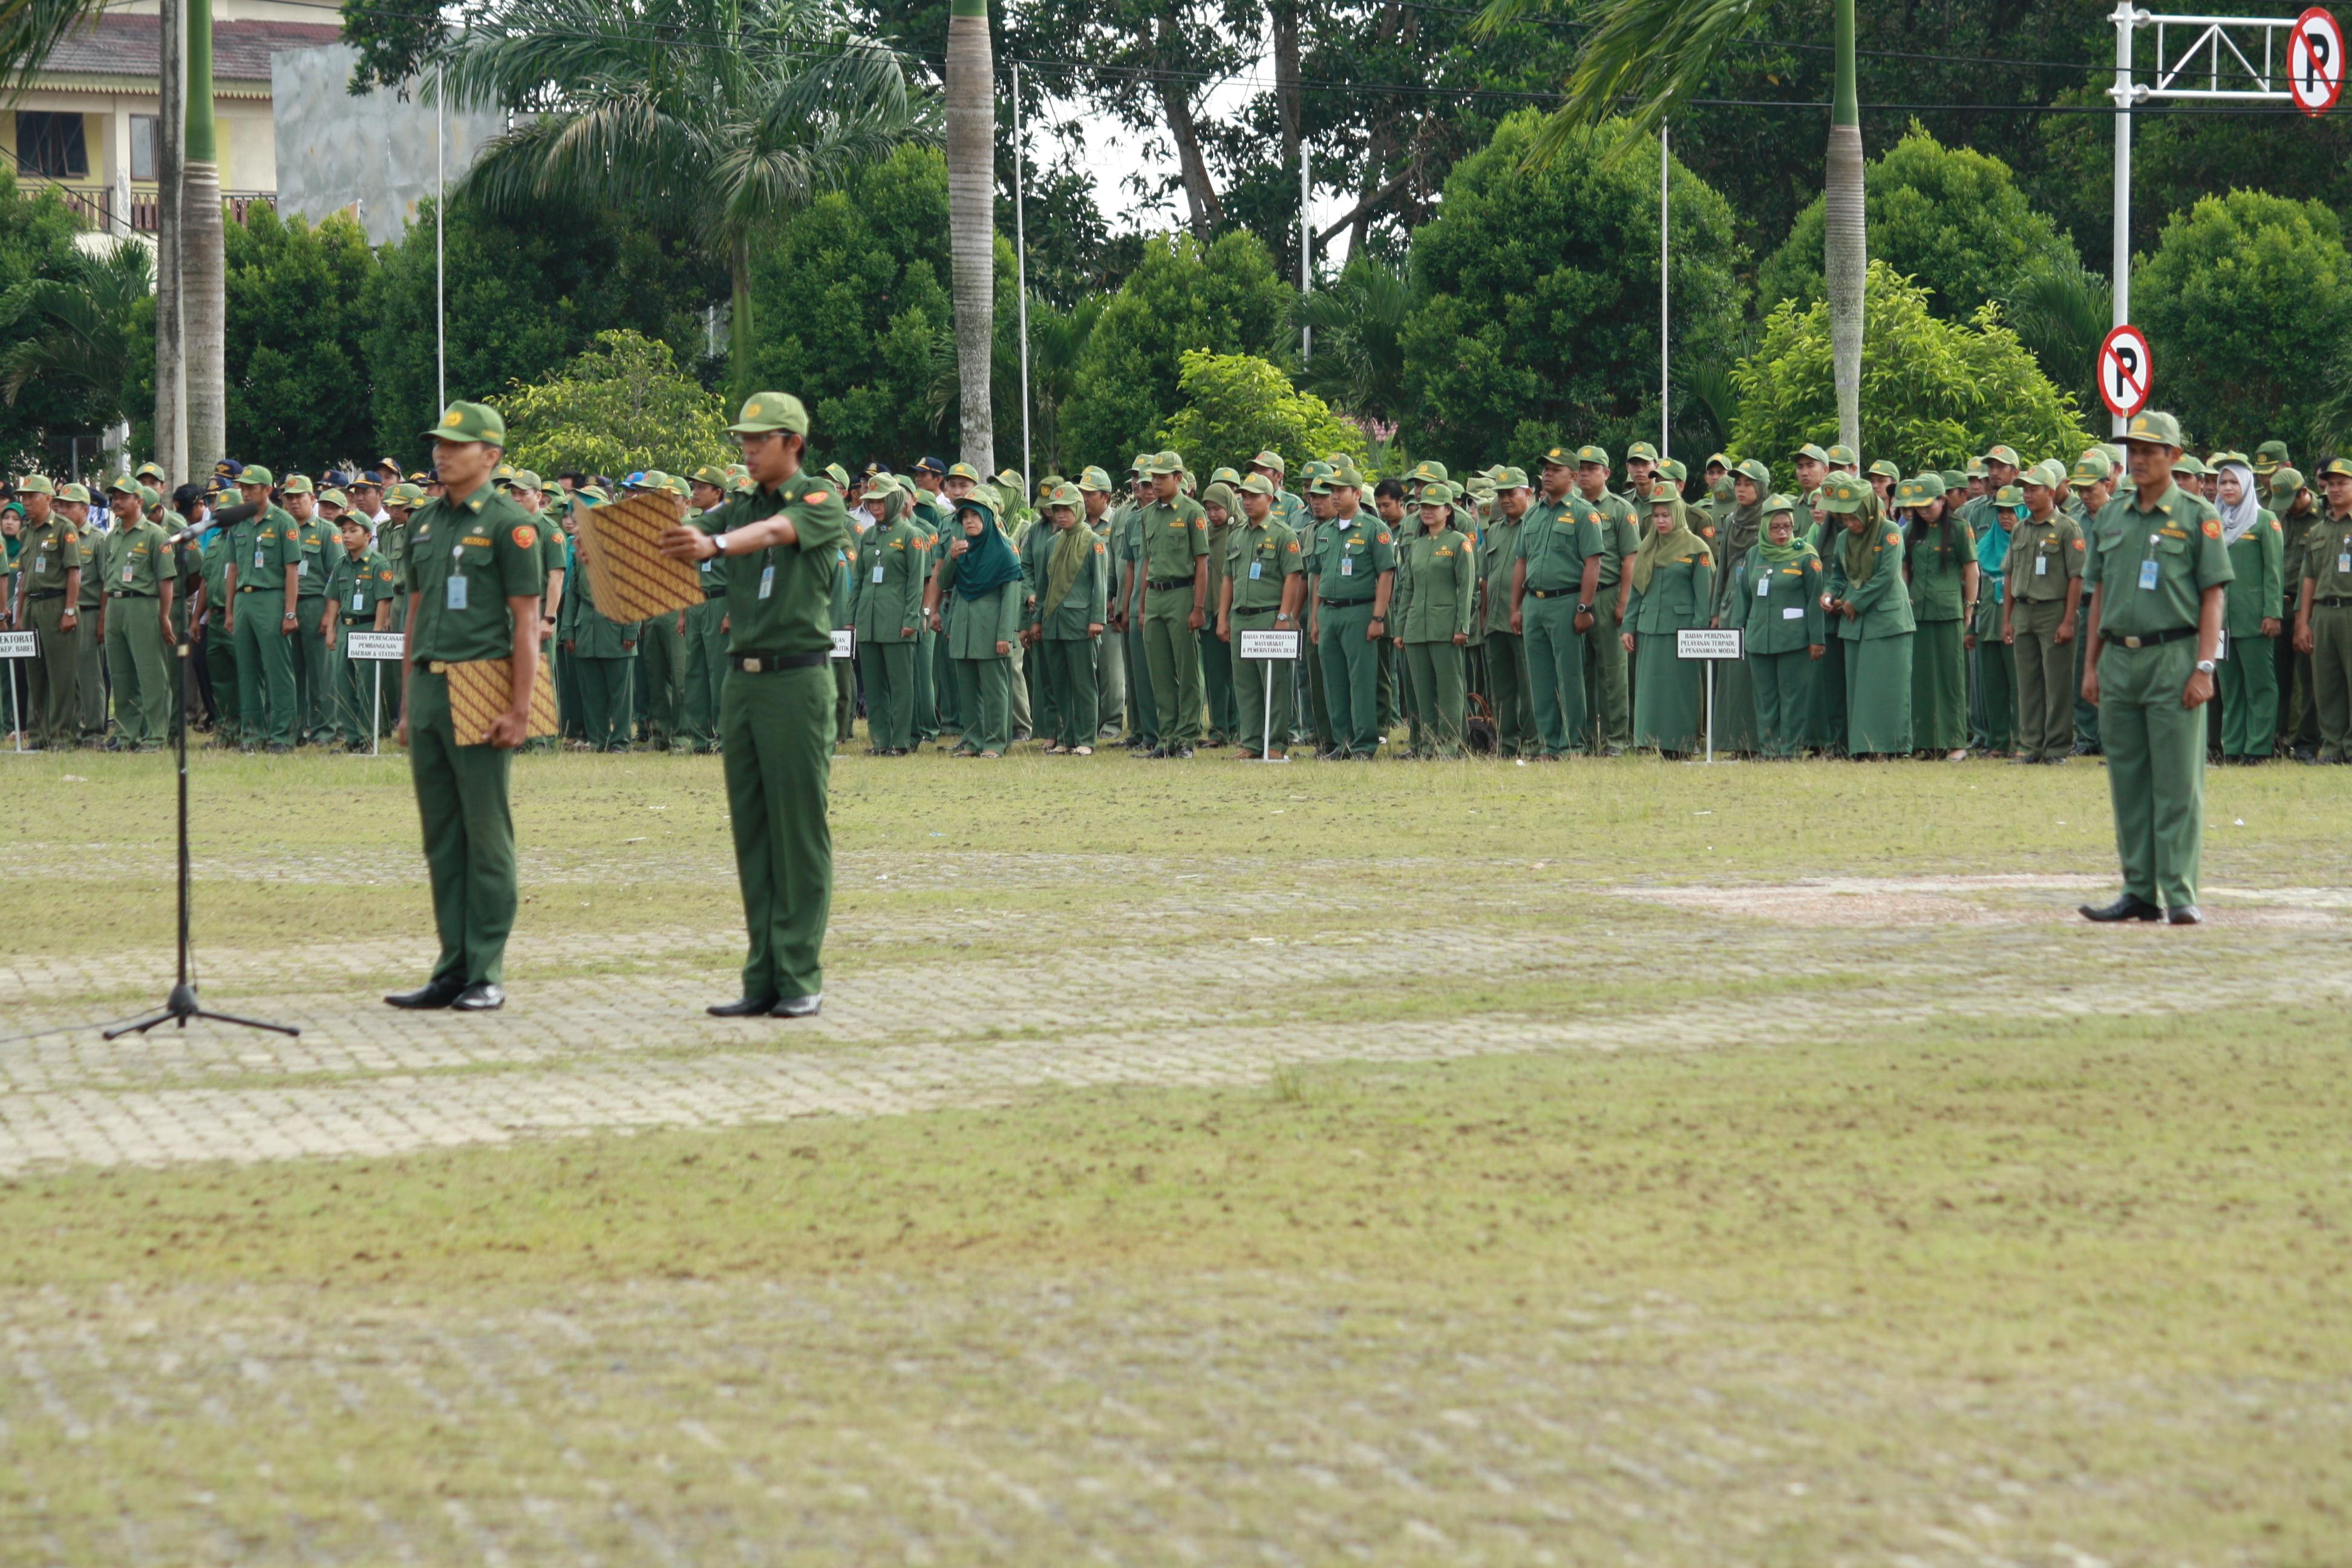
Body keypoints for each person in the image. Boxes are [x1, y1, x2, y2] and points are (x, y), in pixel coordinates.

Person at [658, 391, 846, 1019]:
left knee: (797, 831)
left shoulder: (818, 496)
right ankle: (762, 974)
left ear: (793, 443)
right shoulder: (738, 503)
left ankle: (800, 976)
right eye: (744, 437)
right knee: (753, 833)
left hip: (796, 680)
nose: (747, 447)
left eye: (759, 438)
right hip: (743, 679)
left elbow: (774, 533)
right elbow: (697, 531)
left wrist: (714, 546)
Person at [387, 400, 547, 1011]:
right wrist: (405, 706)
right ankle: (451, 965)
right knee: (442, 837)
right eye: (438, 444)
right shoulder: (424, 522)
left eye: (456, 445)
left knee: (486, 834)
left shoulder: (511, 525)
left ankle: (485, 968)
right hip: (428, 688)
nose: (441, 453)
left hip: (482, 687)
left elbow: (527, 621)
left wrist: (520, 707)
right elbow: (416, 613)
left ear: (492, 456)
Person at [2080, 410, 2230, 926]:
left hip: (2175, 658)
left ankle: (2180, 893)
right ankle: (2139, 891)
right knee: (2128, 780)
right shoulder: (2112, 516)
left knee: (2177, 782)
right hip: (2119, 659)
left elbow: (2213, 598)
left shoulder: (2197, 516)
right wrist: (2092, 666)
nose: (2139, 459)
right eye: (2133, 450)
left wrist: (2205, 667)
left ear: (2174, 457)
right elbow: (2099, 594)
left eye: (2150, 451)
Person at [1512, 448, 1603, 761]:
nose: (1548, 474)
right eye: (1546, 469)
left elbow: (1593, 563)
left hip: (1566, 601)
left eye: (1556, 469)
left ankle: (1572, 744)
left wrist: (1584, 607)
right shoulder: (1533, 514)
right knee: (1539, 679)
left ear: (1574, 476)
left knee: (1570, 677)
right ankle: (1548, 744)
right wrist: (1516, 607)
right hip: (1534, 603)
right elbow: (1521, 562)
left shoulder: (1583, 512)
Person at [1824, 471, 1915, 758]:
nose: (1850, 524)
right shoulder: (1843, 539)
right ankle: (1862, 747)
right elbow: (1838, 575)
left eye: (1854, 518)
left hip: (1888, 620)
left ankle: (1891, 746)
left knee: (1887, 687)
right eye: (1845, 519)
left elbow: (1887, 575)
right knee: (1859, 690)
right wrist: (1829, 595)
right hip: (1855, 625)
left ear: (1868, 510)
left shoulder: (1890, 531)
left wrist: (1854, 602)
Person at [928, 488, 1024, 757]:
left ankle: (995, 742)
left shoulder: (1004, 551)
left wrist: (1006, 635)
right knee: (967, 690)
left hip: (991, 630)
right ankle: (973, 741)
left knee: (994, 690)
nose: (969, 521)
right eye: (965, 516)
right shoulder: (963, 550)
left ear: (987, 517)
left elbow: (1011, 596)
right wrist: (952, 558)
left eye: (975, 515)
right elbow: (945, 584)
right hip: (963, 628)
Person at [1309, 459, 1394, 760]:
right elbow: (1316, 574)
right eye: (1331, 490)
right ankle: (1341, 742)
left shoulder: (1374, 529)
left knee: (1361, 681)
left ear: (1357, 494)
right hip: (1329, 612)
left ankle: (1363, 744)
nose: (1334, 496)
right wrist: (1315, 617)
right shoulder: (1325, 531)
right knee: (1333, 681)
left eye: (1340, 490)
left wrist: (1378, 617)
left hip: (1360, 612)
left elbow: (1386, 573)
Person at [1218, 472, 1305, 759]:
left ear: (1270, 498)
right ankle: (1252, 743)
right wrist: (1223, 618)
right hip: (1241, 617)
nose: (1248, 501)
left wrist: (1284, 618)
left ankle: (1276, 744)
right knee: (1245, 684)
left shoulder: (1283, 534)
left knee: (1275, 684)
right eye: (1244, 496)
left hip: (1269, 618)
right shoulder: (1238, 534)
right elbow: (1228, 579)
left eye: (1254, 496)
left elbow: (1293, 577)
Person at [1622, 482, 1713, 756]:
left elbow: (1704, 598)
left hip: (1681, 632)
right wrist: (1629, 627)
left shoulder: (1697, 549)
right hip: (1649, 628)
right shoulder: (1648, 547)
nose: (1661, 521)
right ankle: (1647, 741)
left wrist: (1699, 635)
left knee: (1680, 692)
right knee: (1649, 690)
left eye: (1666, 515)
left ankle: (1681, 743)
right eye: (1656, 516)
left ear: (1678, 513)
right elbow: (1637, 590)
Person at [2004, 463, 2085, 765]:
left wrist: (2068, 619)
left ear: (2051, 492)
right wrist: (2008, 620)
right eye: (2024, 489)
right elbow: (2009, 575)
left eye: (2033, 489)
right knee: (2028, 684)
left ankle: (2056, 749)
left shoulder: (2067, 528)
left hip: (2054, 611)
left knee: (2057, 684)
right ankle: (2031, 746)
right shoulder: (2020, 529)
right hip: (2024, 611)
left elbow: (2077, 577)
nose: (2027, 495)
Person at [1736, 494, 1825, 759]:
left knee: (1793, 698)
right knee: (1765, 699)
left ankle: (1791, 750)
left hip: (1794, 640)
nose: (1782, 532)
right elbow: (1743, 598)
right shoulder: (1754, 555)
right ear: (1765, 527)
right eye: (1775, 527)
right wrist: (1737, 635)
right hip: (1758, 639)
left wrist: (1817, 639)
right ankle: (1769, 749)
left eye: (1787, 526)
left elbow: (1815, 601)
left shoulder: (1806, 555)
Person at [1136, 449, 1210, 758]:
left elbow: (1202, 563)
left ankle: (1188, 738)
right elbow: (1146, 563)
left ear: (1178, 479)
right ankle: (1166, 737)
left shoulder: (1193, 512)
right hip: (1155, 596)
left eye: (1162, 477)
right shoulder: (1147, 515)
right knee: (1160, 672)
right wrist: (1141, 607)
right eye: (1152, 477)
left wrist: (1198, 607)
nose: (1155, 483)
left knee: (1188, 671)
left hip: (1182, 594)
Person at [1391, 482, 1474, 759]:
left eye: (1433, 507)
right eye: (1423, 507)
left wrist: (1462, 626)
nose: (1426, 511)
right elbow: (1407, 590)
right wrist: (1400, 629)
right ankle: (1426, 745)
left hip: (1445, 627)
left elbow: (1467, 588)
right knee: (1421, 693)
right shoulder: (1416, 545)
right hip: (1416, 628)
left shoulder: (1459, 542)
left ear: (1448, 510)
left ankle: (1450, 745)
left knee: (1450, 690)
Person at [224, 465, 301, 752]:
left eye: (251, 488)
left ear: (267, 490)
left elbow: (292, 569)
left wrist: (290, 612)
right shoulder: (238, 522)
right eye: (242, 487)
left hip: (272, 597)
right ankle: (252, 734)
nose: (244, 492)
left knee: (278, 670)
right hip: (243, 599)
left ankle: (283, 735)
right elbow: (232, 568)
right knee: (246, 670)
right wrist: (230, 611)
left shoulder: (283, 522)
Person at [97, 475, 177, 750]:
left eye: (123, 497)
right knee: (121, 674)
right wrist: (104, 616)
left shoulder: (156, 535)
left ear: (139, 501)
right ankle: (126, 733)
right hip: (116, 606)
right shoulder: (112, 537)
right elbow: (107, 582)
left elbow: (166, 580)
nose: (117, 502)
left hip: (143, 605)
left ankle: (155, 735)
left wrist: (164, 616)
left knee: (151, 672)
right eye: (114, 497)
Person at [1028, 481, 1109, 756]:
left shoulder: (1094, 542)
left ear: (1078, 509)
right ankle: (1066, 736)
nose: (1061, 515)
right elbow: (1043, 587)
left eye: (1066, 509)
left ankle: (1086, 738)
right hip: (1053, 623)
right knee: (1059, 683)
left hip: (1081, 624)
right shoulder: (1053, 543)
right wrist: (1037, 620)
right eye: (1056, 510)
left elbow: (1100, 584)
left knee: (1084, 683)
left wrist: (1097, 619)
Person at [2213, 456, 2284, 765]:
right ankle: (2232, 747)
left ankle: (2258, 747)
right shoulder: (2212, 520)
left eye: (2234, 482)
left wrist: (2272, 612)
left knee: (2260, 684)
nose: (2228, 488)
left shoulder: (2264, 519)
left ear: (2246, 484)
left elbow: (2274, 572)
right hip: (2219, 620)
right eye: (2223, 483)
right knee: (2229, 687)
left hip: (2255, 617)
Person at [559, 489, 641, 753]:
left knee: (620, 693)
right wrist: (568, 630)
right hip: (586, 626)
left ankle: (620, 741)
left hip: (616, 626)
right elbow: (572, 593)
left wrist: (631, 629)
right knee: (591, 690)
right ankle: (598, 739)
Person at [1901, 472, 1975, 760]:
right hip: (1918, 611)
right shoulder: (1911, 531)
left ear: (1943, 501)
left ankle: (1956, 742)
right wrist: (1904, 594)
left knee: (1950, 678)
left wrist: (1969, 608)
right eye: (1918, 505)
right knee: (1920, 678)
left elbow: (1972, 571)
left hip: (1948, 612)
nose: (1922, 510)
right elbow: (1905, 569)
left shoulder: (1959, 528)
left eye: (1928, 505)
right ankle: (1925, 742)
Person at [853, 476, 926, 755]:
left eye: (881, 501)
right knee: (873, 686)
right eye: (870, 502)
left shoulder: (912, 536)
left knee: (901, 685)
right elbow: (858, 580)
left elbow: (916, 584)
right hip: (869, 622)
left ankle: (901, 741)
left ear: (895, 500)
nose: (875, 506)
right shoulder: (869, 536)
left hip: (897, 623)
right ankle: (880, 741)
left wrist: (910, 620)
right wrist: (852, 618)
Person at [10, 477, 84, 750]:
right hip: (31, 606)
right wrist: (19, 616)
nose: (26, 503)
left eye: (32, 497)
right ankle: (39, 735)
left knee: (61, 674)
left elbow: (74, 573)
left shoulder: (64, 528)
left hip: (56, 604)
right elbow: (24, 575)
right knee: (35, 673)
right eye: (23, 498)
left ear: (48, 499)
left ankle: (63, 736)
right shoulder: (27, 532)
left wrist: (69, 610)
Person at [1575, 446, 1638, 754]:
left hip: (1609, 592)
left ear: (1607, 473)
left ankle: (1615, 739)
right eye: (1581, 468)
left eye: (1592, 468)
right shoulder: (1568, 508)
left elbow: (1630, 559)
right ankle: (1586, 737)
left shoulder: (1620, 509)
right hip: (1574, 597)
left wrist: (1623, 601)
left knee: (1613, 672)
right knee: (1580, 670)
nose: (1585, 474)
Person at [2293, 456, 2352, 765]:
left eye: (2343, 483)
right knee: (2326, 684)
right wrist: (2303, 622)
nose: (2335, 489)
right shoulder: (2318, 530)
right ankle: (2331, 747)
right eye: (2330, 484)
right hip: (2324, 613)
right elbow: (2308, 579)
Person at [322, 511, 397, 749]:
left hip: (367, 626)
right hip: (346, 627)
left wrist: (376, 632)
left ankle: (368, 737)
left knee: (367, 686)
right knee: (343, 683)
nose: (346, 536)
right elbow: (334, 598)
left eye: (353, 531)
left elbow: (384, 600)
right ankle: (351, 738)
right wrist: (332, 630)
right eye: (344, 531)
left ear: (367, 535)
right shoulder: (341, 564)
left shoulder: (378, 564)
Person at [1478, 466, 1532, 756]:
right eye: (1501, 494)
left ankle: (1534, 741)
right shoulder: (1495, 531)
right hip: (1496, 620)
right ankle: (1508, 743)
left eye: (1512, 493)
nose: (1506, 499)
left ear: (1527, 493)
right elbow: (1486, 578)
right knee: (1502, 688)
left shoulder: (1535, 525)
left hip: (1523, 618)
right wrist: (1484, 615)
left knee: (1530, 685)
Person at [2270, 466, 2321, 758]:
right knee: (2278, 679)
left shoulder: (2323, 516)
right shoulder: (2279, 517)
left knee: (2309, 679)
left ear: (2304, 492)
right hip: (2280, 606)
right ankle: (2278, 738)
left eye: (2290, 500)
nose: (2286, 507)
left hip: (2308, 608)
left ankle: (2305, 742)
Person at [1198, 480, 1240, 746]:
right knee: (1215, 676)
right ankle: (1218, 730)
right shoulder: (1205, 534)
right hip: (1209, 613)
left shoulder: (1240, 533)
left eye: (1218, 509)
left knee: (1239, 676)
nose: (1213, 514)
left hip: (1236, 613)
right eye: (1208, 509)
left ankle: (1239, 729)